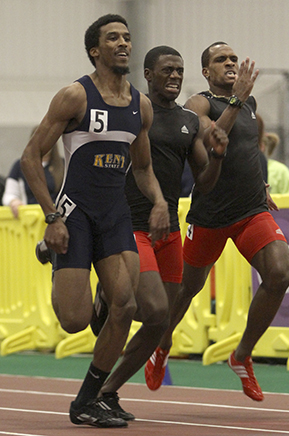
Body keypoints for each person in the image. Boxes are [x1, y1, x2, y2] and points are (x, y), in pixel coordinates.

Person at [21, 14, 170, 429]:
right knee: (74, 321)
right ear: (95, 50)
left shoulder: (140, 106)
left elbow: (142, 168)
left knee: (125, 305)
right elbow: (32, 156)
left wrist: (158, 200)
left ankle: (88, 400)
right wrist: (52, 217)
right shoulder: (75, 96)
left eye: (126, 37)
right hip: (74, 215)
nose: (123, 43)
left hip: (115, 215)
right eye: (113, 38)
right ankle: (49, 251)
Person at [145, 42, 289, 402]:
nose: (230, 63)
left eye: (233, 59)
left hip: (250, 210)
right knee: (185, 291)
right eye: (220, 60)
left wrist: (260, 181)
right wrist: (237, 100)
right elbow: (213, 142)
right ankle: (161, 345)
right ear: (207, 72)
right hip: (209, 215)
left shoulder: (251, 107)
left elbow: (249, 149)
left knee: (279, 274)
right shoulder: (199, 104)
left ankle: (241, 355)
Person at [89, 45, 228, 419]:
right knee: (150, 308)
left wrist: (216, 156)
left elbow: (206, 183)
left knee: (160, 321)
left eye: (180, 71)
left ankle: (106, 390)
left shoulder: (188, 121)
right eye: (167, 70)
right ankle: (108, 293)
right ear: (148, 74)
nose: (175, 76)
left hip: (168, 229)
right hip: (130, 225)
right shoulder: (134, 112)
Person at [3, 127, 64, 218]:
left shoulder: (63, 165)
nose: (44, 144)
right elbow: (9, 194)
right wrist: (14, 202)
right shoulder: (20, 165)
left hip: (56, 217)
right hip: (30, 219)